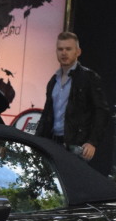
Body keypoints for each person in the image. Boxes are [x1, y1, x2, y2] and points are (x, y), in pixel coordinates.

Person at [34, 31, 110, 168]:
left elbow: (102, 111)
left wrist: (92, 142)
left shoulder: (89, 78)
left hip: (76, 145)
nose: (64, 53)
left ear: (78, 52)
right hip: (52, 142)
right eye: (60, 49)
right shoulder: (53, 81)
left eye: (68, 49)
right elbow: (47, 114)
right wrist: (37, 142)